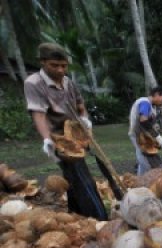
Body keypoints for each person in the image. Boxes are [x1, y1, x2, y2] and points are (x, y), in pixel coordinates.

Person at [24, 42, 107, 220]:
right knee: (82, 177)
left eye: (64, 66)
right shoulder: (34, 83)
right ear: (43, 62)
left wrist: (84, 119)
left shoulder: (68, 82)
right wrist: (47, 139)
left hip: (76, 131)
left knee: (73, 177)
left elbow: (79, 104)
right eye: (55, 66)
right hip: (58, 137)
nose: (61, 70)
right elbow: (38, 114)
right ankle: (99, 219)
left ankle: (75, 213)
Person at [128, 87, 162, 176]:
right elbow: (143, 120)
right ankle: (147, 180)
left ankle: (139, 180)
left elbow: (150, 125)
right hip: (139, 135)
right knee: (145, 159)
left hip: (144, 135)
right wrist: (157, 137)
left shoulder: (151, 106)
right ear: (157, 95)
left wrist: (158, 137)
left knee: (145, 158)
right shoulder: (145, 102)